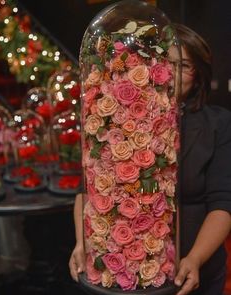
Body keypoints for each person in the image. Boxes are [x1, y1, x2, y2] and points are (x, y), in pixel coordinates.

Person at [69, 23, 231, 295]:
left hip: (192, 269)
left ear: (199, 76)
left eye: (183, 67)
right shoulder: (117, 120)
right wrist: (81, 244)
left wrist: (195, 259)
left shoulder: (219, 124)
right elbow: (87, 189)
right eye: (165, 62)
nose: (171, 73)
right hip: (126, 272)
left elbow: (223, 203)